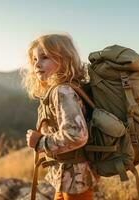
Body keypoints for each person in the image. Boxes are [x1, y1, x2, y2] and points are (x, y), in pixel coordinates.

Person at [23, 33, 98, 200]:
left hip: (75, 177)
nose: (37, 64)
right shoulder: (65, 89)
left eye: (44, 57)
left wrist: (40, 142)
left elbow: (77, 134)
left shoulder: (62, 91)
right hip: (67, 175)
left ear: (64, 59)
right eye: (34, 59)